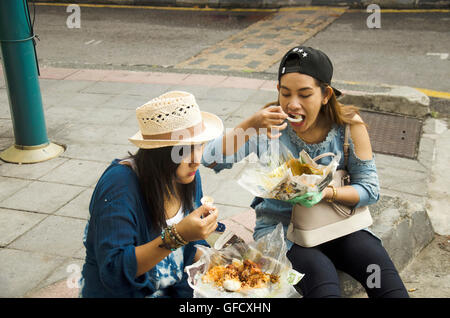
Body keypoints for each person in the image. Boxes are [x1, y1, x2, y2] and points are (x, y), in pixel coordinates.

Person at [201, 46, 409, 298]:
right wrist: (249, 124)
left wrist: (325, 193)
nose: (293, 105)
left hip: (338, 224)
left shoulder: (349, 127)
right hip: (282, 232)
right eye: (285, 94)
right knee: (322, 277)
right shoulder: (269, 126)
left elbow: (370, 190)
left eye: (305, 94)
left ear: (325, 94)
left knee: (382, 275)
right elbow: (211, 160)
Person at [80, 91, 224, 297]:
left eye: (200, 145)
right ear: (158, 152)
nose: (197, 160)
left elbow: (189, 249)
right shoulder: (119, 185)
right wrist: (178, 236)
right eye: (183, 150)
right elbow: (114, 271)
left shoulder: (188, 175)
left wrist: (214, 256)